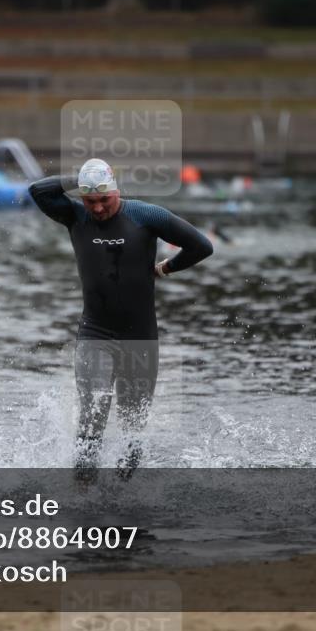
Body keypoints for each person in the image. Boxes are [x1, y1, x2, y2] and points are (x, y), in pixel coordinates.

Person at [29, 158, 213, 478]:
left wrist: (165, 268)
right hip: (95, 335)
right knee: (92, 415)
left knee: (132, 429)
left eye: (104, 199)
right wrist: (82, 177)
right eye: (90, 200)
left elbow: (201, 245)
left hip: (141, 339)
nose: (98, 208)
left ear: (116, 190)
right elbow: (38, 191)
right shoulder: (74, 216)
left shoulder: (145, 215)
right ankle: (83, 495)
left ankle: (126, 502)